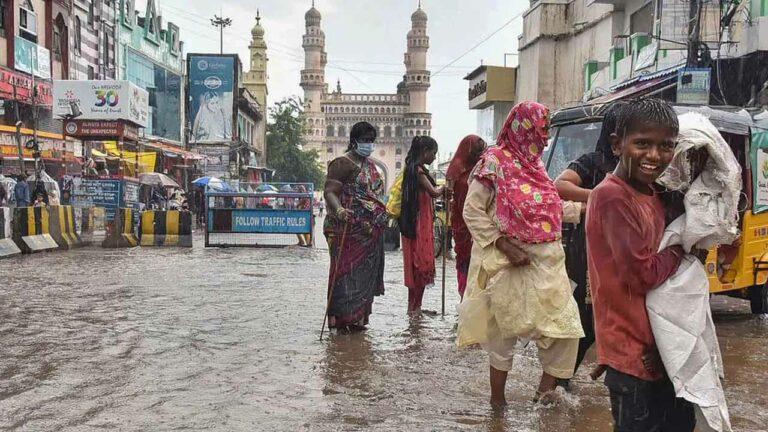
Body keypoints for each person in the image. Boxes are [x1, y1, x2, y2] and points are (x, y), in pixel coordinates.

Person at [457, 101, 583, 407]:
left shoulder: (536, 167)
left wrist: (586, 209)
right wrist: (504, 245)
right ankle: (497, 405)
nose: (546, 138)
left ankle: (543, 395)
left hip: (548, 260)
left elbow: (546, 209)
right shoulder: (494, 161)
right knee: (505, 331)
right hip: (508, 260)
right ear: (524, 128)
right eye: (542, 130)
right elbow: (472, 211)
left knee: (565, 328)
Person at [586, 98, 696, 431]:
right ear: (618, 144)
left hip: (661, 351)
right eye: (642, 144)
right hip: (635, 354)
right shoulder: (612, 196)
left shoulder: (651, 192)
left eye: (666, 146)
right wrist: (681, 251)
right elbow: (643, 274)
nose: (654, 156)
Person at [553, 101, 626, 378]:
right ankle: (559, 379)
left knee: (615, 318)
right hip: (589, 250)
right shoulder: (594, 162)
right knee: (585, 317)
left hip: (625, 252)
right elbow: (560, 186)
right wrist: (598, 196)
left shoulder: (642, 167)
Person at [323, 121, 388, 332]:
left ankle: (358, 319)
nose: (369, 145)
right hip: (346, 230)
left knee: (363, 274)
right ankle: (340, 319)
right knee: (344, 273)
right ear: (354, 141)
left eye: (372, 141)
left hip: (369, 232)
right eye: (365, 140)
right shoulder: (342, 163)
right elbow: (330, 191)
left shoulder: (371, 166)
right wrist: (340, 211)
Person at [400, 136, 443, 315]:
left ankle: (414, 307)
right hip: (419, 224)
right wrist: (446, 187)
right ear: (425, 152)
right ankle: (415, 307)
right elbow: (434, 193)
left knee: (416, 266)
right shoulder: (418, 172)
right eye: (433, 153)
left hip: (414, 223)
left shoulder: (411, 169)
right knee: (421, 264)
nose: (434, 157)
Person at [446, 134, 487, 299]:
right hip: (462, 224)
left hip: (482, 222)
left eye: (480, 151)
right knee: (464, 260)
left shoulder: (483, 168)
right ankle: (465, 297)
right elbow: (450, 196)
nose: (478, 154)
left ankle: (477, 299)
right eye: (476, 151)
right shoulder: (456, 169)